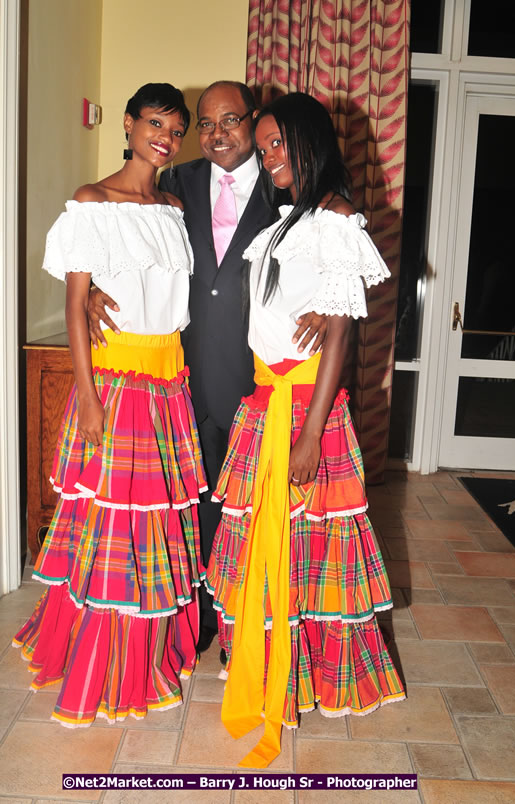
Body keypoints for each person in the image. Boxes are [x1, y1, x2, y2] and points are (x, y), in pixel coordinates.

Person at [87, 81, 327, 654]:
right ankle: (193, 618)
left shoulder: (283, 187)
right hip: (180, 379)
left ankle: (242, 619)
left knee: (241, 507)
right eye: (206, 123)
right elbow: (132, 250)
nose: (218, 134)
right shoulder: (174, 182)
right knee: (186, 504)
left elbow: (325, 244)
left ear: (253, 122)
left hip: (255, 381)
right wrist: (92, 289)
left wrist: (325, 298)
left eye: (232, 121)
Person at [206, 92, 406, 768]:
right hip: (266, 404)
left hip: (302, 412)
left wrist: (313, 431)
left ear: (311, 140)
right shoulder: (291, 221)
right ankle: (270, 667)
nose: (269, 157)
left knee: (309, 554)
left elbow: (342, 337)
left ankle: (309, 673)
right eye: (263, 149)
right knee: (270, 546)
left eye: (278, 144)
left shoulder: (336, 220)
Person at [13, 83, 207, 727]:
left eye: (176, 130)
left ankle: (149, 647)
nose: (165, 138)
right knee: (114, 529)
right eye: (155, 124)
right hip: (118, 385)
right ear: (128, 124)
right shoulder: (92, 202)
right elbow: (75, 309)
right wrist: (89, 397)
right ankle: (102, 659)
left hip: (169, 384)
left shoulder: (175, 208)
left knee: (157, 530)